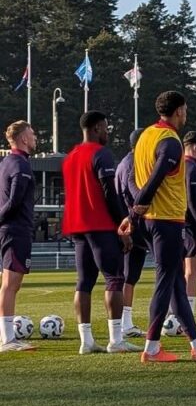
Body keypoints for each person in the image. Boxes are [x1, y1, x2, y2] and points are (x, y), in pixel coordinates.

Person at [132, 91, 196, 363]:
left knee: (176, 281)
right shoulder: (170, 141)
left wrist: (136, 208)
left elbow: (133, 174)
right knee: (165, 282)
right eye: (185, 110)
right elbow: (156, 175)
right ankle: (152, 348)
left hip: (152, 218)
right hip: (165, 218)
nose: (186, 115)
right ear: (179, 111)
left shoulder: (145, 136)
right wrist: (138, 206)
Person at [61, 111, 139, 354]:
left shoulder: (70, 157)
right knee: (114, 278)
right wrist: (122, 225)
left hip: (77, 225)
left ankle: (86, 341)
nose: (108, 131)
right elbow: (109, 193)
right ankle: (116, 339)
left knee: (83, 282)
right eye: (105, 128)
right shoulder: (100, 154)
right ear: (95, 128)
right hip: (101, 225)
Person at [0, 121, 37, 352]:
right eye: (32, 134)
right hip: (15, 230)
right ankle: (8, 339)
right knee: (10, 284)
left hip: (11, 230)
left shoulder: (7, 162)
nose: (35, 138)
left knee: (10, 284)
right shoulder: (20, 165)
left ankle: (7, 337)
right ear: (23, 138)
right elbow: (13, 202)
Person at [116, 129, 148, 338]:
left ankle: (124, 323)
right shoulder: (134, 164)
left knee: (128, 276)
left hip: (127, 224)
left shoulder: (123, 162)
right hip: (133, 225)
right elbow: (137, 196)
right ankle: (125, 324)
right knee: (129, 276)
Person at [181, 131, 196, 330]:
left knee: (183, 272)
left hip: (177, 225)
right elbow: (194, 203)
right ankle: (186, 318)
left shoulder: (177, 166)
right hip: (190, 226)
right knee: (192, 272)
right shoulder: (192, 168)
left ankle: (178, 315)